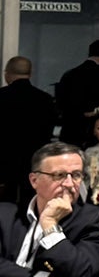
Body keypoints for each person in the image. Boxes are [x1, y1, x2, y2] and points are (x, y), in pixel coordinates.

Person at [0, 143, 99, 277]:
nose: (69, 184)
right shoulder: (5, 213)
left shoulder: (95, 221)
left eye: (76, 175)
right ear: (34, 180)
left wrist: (50, 226)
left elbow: (78, 275)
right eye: (59, 175)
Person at [1, 57, 56, 204]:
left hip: (5, 159)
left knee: (5, 202)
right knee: (30, 200)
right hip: (35, 159)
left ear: (7, 74)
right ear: (30, 74)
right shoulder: (46, 99)